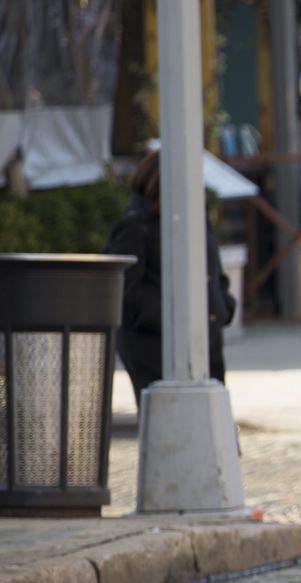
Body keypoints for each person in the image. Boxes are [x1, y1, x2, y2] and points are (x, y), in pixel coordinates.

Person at [102, 150, 235, 409]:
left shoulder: (196, 220)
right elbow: (124, 290)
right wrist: (170, 319)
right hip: (154, 342)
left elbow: (213, 272)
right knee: (169, 416)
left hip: (204, 338)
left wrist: (222, 308)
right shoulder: (136, 225)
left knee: (212, 418)